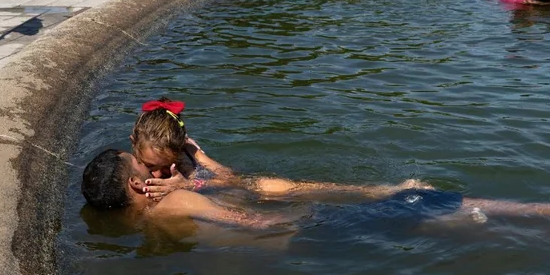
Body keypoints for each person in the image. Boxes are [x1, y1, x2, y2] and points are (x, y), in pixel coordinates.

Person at [81, 149, 550, 230]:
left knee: (425, 217)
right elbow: (255, 225)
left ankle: (499, 227)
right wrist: (307, 215)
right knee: (427, 203)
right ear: (135, 182)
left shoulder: (148, 216)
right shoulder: (178, 200)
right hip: (313, 235)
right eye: (142, 170)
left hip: (312, 240)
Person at [131, 98, 425, 201]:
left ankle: (380, 191)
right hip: (217, 196)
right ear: (133, 143)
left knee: (269, 187)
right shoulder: (135, 157)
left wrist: (191, 184)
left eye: (163, 165)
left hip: (222, 186)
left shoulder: (189, 151)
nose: (156, 172)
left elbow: (227, 175)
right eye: (150, 165)